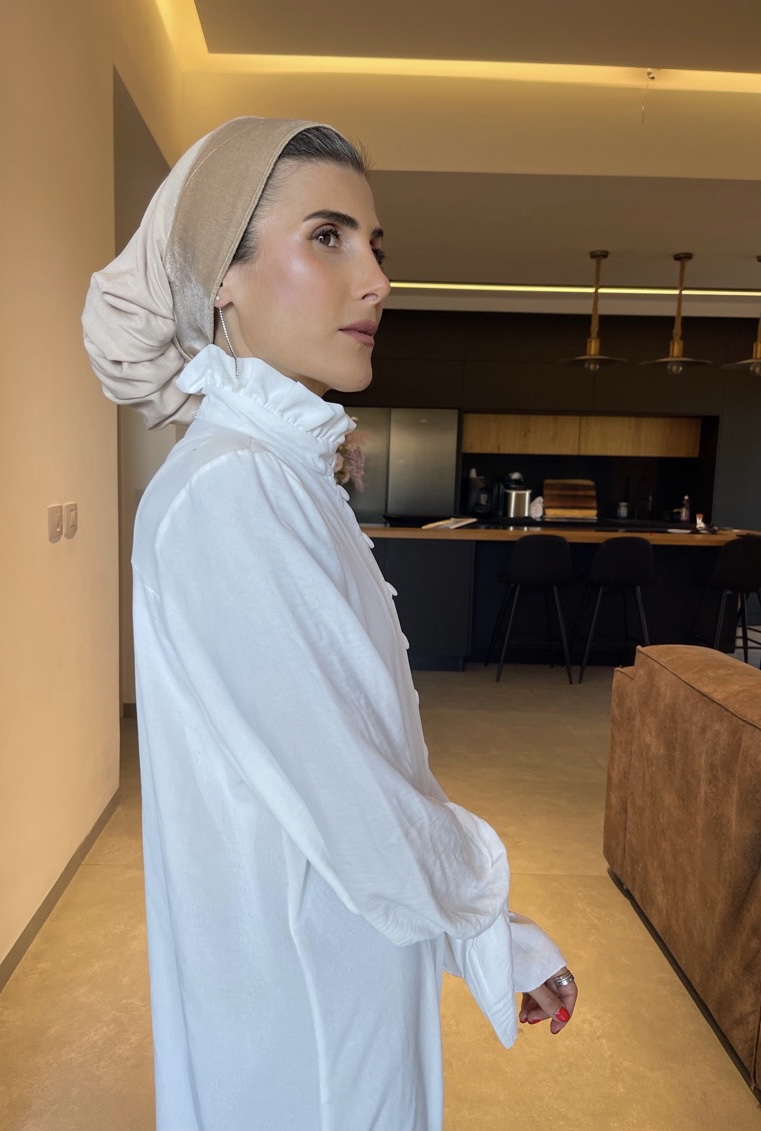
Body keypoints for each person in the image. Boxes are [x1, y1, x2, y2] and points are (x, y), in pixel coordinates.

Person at [82, 116, 577, 1131]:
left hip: (339, 943)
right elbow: (349, 794)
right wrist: (489, 928)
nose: (377, 280)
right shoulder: (234, 490)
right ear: (221, 277)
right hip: (301, 994)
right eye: (327, 236)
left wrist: (468, 933)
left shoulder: (278, 476)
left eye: (374, 245)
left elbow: (361, 762)